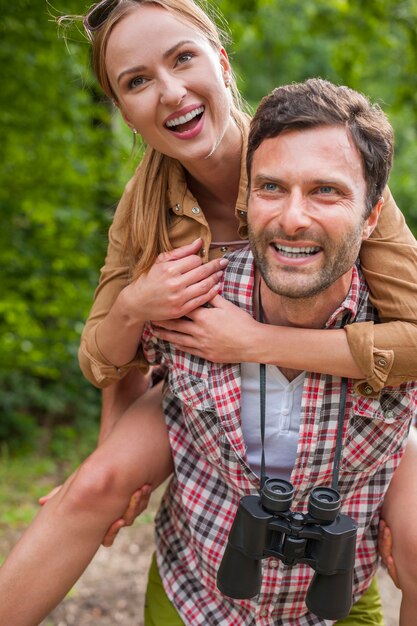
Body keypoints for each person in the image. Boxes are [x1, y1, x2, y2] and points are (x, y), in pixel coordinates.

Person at [0, 0, 416, 624]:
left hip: (346, 396)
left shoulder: (306, 151)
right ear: (123, 110)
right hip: (210, 396)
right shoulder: (144, 212)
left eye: (183, 58)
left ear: (222, 63)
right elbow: (106, 360)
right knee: (91, 490)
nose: (169, 93)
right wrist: (136, 309)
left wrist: (249, 340)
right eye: (136, 81)